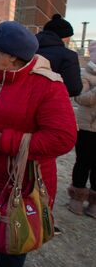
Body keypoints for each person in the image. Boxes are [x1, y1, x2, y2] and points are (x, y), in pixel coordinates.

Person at [0, 21, 77, 267]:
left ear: (11, 57)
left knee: (11, 244)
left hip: (18, 186)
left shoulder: (48, 86)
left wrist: (5, 141)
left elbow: (62, 138)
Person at [68, 41, 96, 217]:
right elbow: (80, 98)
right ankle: (76, 200)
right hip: (87, 128)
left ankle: (93, 204)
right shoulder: (86, 74)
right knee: (83, 163)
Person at [36, 13, 82, 96]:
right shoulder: (68, 56)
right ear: (63, 36)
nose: (69, 40)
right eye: (69, 36)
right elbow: (74, 89)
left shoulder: (28, 49)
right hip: (50, 103)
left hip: (22, 102)